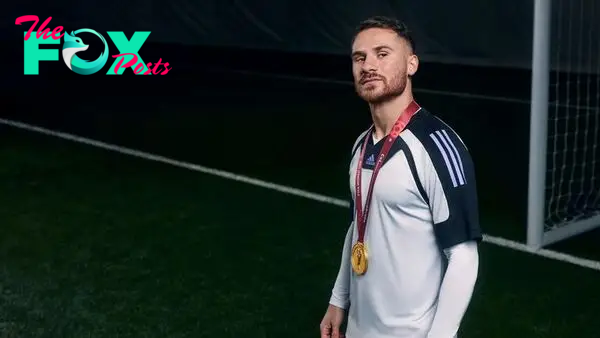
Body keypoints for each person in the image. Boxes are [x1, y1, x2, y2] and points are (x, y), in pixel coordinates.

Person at [319, 16, 482, 338]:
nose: (368, 66)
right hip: (358, 329)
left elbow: (463, 255)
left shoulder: (437, 146)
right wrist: (338, 300)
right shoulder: (361, 144)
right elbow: (359, 228)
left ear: (411, 64)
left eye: (382, 54)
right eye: (359, 57)